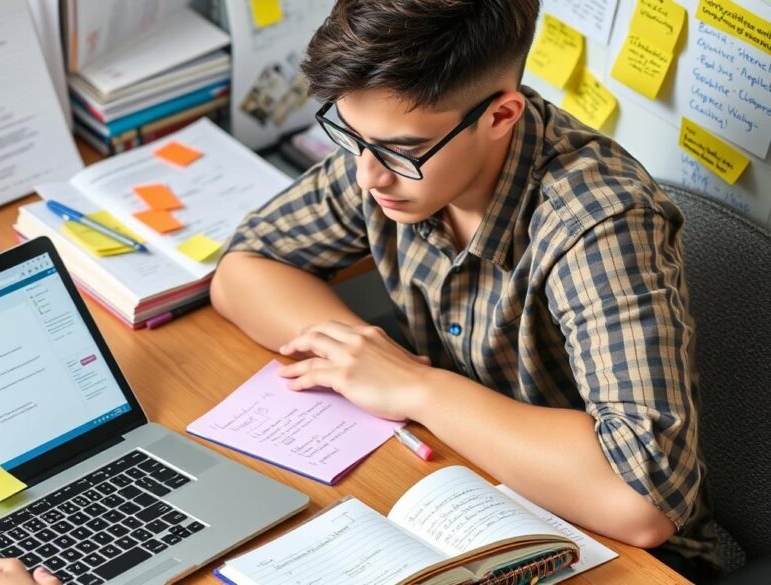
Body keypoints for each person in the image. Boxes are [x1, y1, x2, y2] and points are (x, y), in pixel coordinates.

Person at [211, 0, 720, 581]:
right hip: (462, 488)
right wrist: (366, 360)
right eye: (350, 135)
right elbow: (244, 267)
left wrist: (416, 388)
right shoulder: (393, 147)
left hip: (614, 554)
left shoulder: (598, 223)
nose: (366, 175)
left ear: (501, 116)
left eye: (398, 150)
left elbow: (644, 501)